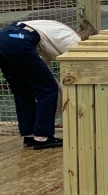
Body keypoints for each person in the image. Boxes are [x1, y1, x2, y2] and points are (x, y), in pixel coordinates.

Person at [0, 20, 97, 149]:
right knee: (49, 90)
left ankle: (29, 135)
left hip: (4, 38)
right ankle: (42, 137)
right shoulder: (75, 42)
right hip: (20, 39)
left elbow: (39, 66)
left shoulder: (57, 36)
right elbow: (76, 69)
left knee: (23, 90)